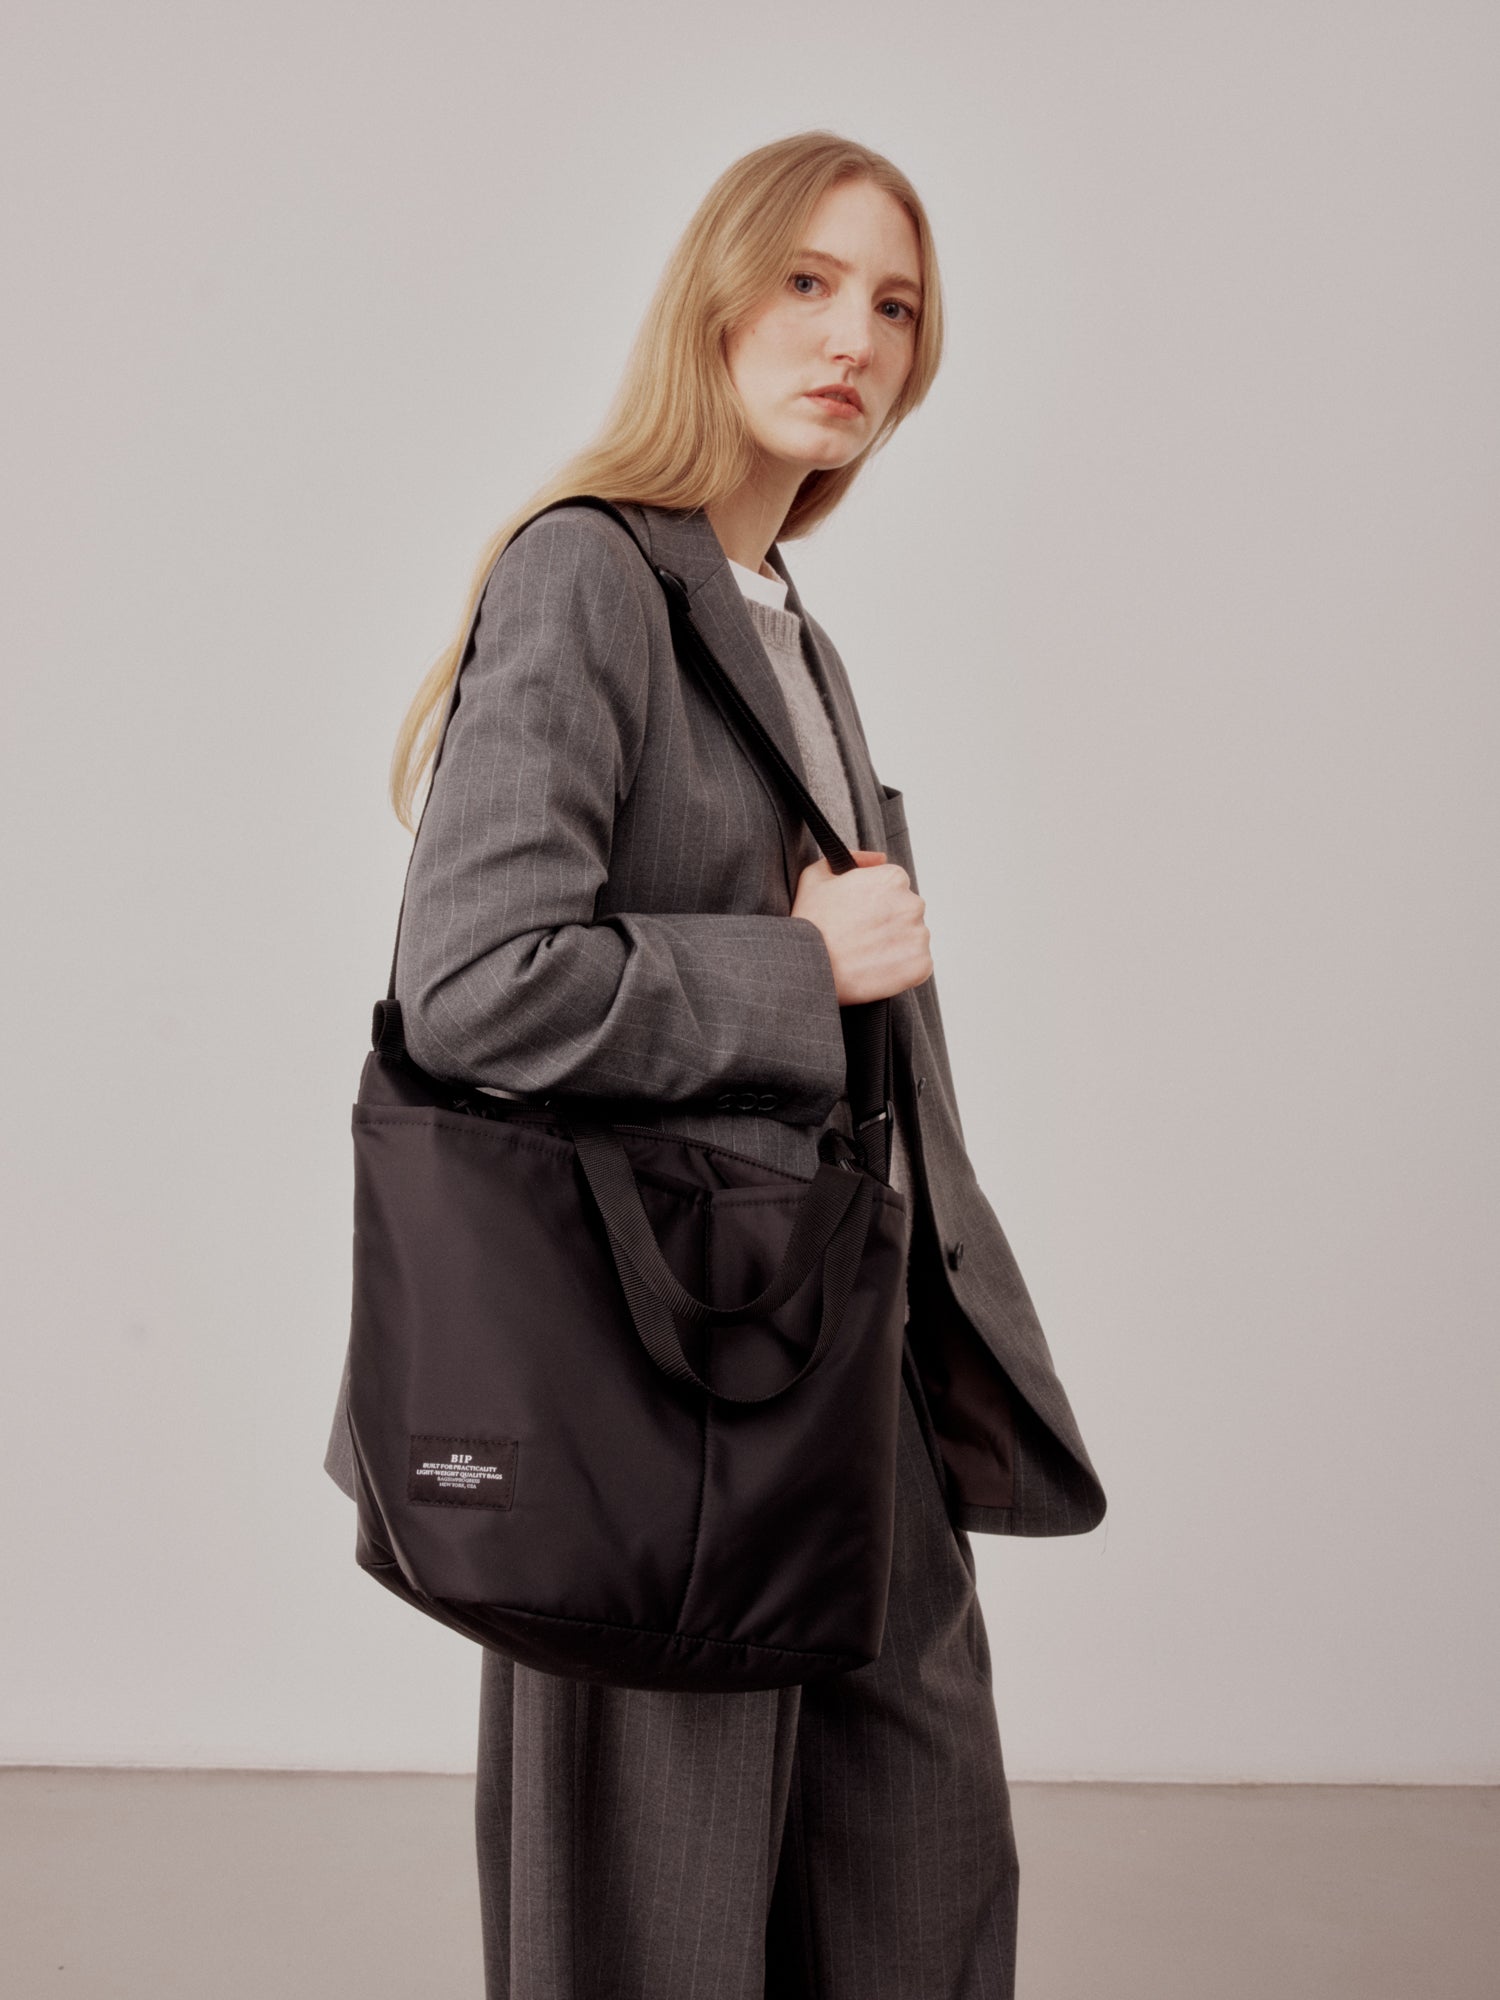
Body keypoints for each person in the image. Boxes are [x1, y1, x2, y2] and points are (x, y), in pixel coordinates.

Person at [323, 128, 1106, 1999]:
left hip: (843, 1358)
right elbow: (474, 982)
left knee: (919, 1880)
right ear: (715, 301)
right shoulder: (590, 572)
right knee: (648, 1929)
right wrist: (798, 968)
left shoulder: (794, 635)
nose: (853, 339)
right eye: (809, 282)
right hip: (655, 1369)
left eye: (894, 307)